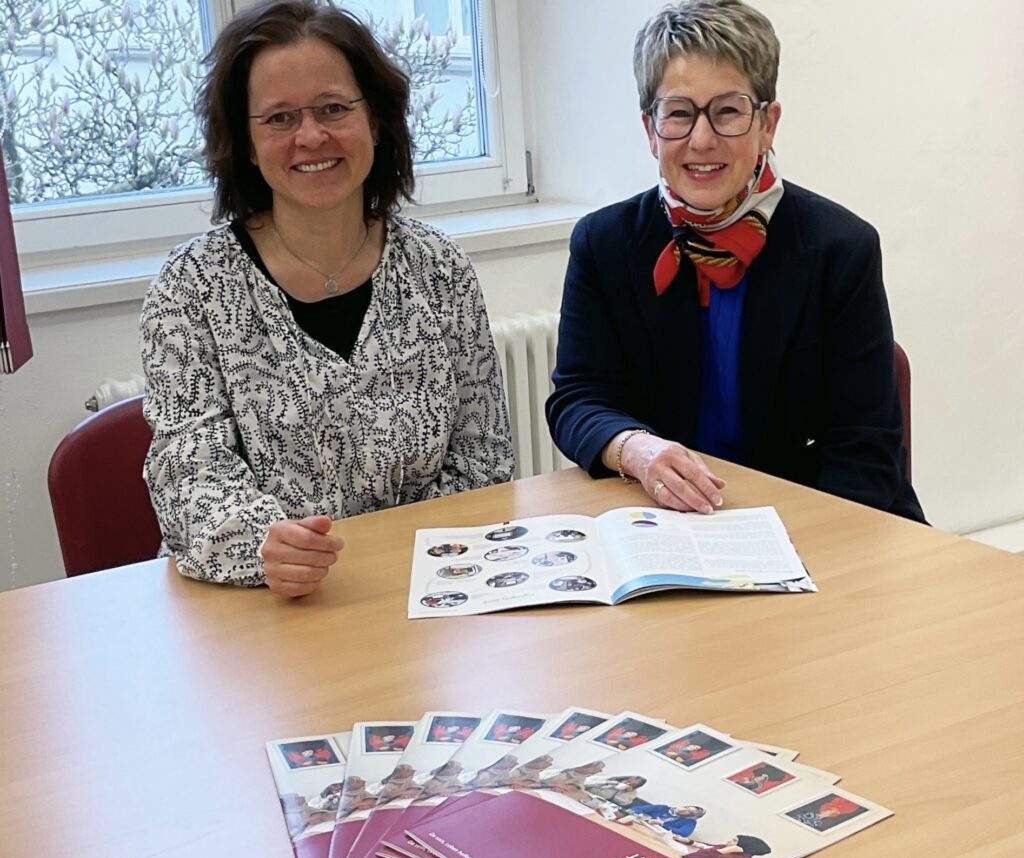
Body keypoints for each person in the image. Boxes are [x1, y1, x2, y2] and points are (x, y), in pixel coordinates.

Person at [141, 0, 514, 596]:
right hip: (257, 607)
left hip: (426, 588)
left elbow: (485, 457)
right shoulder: (191, 285)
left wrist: (402, 560)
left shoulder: (439, 269)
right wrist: (267, 543)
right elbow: (188, 476)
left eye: (334, 108)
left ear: (376, 120)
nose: (311, 135)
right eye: (280, 118)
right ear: (245, 139)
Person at [546, 0, 924, 523]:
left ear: (768, 124)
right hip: (669, 525)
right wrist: (636, 449)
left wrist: (783, 554)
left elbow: (865, 450)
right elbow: (577, 399)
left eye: (727, 111)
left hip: (822, 522)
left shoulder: (842, 249)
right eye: (678, 113)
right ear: (651, 129)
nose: (701, 140)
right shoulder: (604, 244)